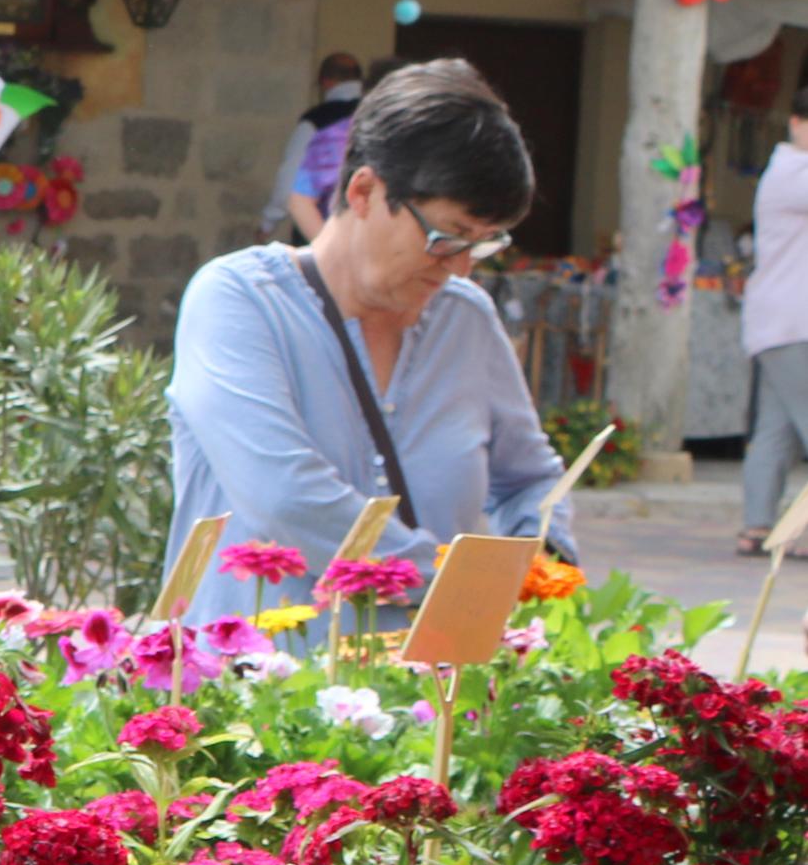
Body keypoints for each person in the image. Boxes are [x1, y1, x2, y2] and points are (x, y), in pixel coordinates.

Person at [165, 58, 568, 628]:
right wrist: (453, 582)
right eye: (445, 238)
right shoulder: (238, 301)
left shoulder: (466, 319)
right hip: (256, 696)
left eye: (482, 246)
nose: (459, 270)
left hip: (429, 699)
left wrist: (542, 561)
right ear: (364, 190)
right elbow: (285, 498)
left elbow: (529, 478)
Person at [744, 93, 808, 553]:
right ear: (795, 123)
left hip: (782, 321)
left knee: (774, 430)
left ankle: (757, 528)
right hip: (792, 321)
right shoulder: (790, 172)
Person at [273, 51, 367, 241]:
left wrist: (270, 220)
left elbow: (291, 177)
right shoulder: (376, 116)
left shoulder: (316, 121)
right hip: (365, 229)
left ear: (325, 82)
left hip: (319, 225)